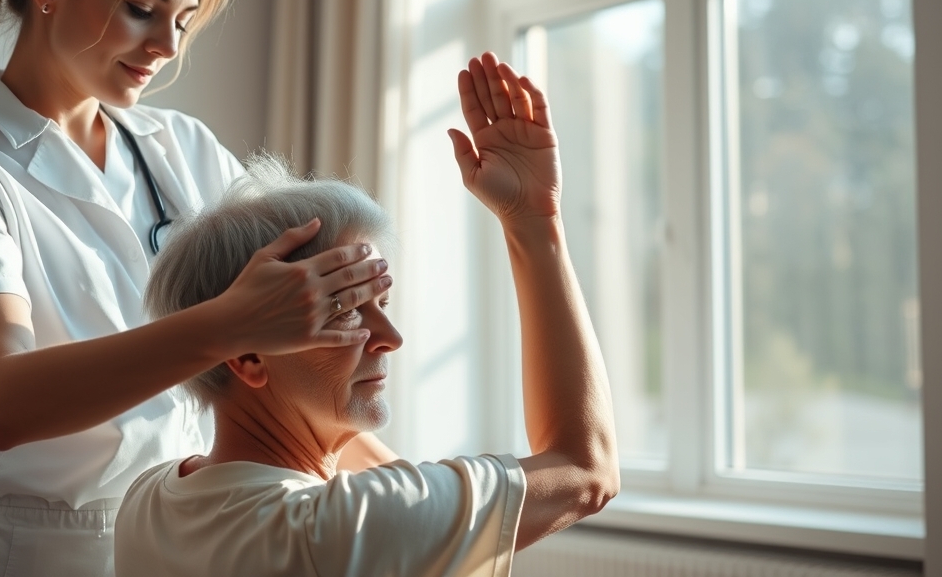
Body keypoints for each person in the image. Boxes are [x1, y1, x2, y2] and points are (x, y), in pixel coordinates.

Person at [0, 0, 394, 577]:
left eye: (182, 21)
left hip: (200, 524)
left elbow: (285, 363)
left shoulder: (182, 147)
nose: (167, 45)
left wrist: (427, 501)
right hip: (49, 549)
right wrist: (229, 323)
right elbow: (4, 402)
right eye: (141, 8)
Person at [114, 52, 620, 577]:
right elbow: (587, 469)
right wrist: (535, 222)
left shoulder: (148, 502)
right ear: (245, 353)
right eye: (346, 310)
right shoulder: (341, 526)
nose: (391, 338)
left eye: (381, 304)